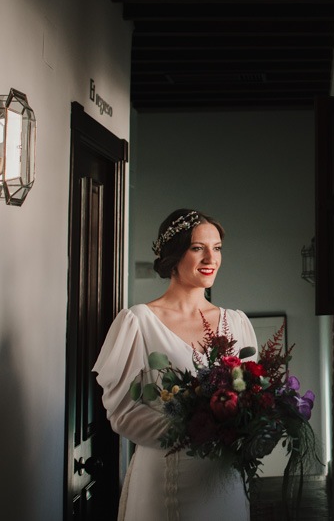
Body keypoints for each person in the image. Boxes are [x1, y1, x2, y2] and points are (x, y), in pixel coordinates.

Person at [93, 209, 259, 521]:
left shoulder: (236, 323)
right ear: (173, 255)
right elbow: (123, 413)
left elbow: (252, 397)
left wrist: (254, 427)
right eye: (198, 248)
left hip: (224, 479)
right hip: (165, 477)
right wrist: (194, 430)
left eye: (217, 248)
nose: (211, 258)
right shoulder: (138, 323)